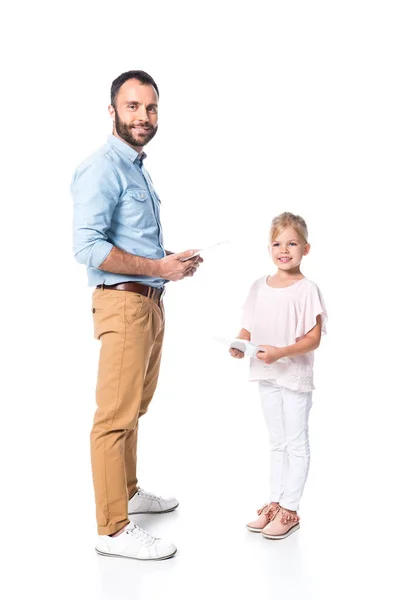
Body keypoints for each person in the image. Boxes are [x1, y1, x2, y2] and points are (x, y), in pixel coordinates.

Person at [71, 70, 202, 560]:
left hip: (148, 303)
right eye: (131, 107)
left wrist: (170, 264)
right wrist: (154, 267)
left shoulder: (137, 167)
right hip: (123, 304)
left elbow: (131, 243)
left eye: (150, 108)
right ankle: (113, 528)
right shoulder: (102, 167)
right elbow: (87, 248)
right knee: (113, 417)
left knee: (134, 409)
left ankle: (126, 491)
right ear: (112, 111)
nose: (142, 117)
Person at [230, 212, 327, 540]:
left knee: (296, 442)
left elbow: (313, 338)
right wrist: (240, 343)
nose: (283, 249)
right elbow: (248, 323)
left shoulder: (307, 289)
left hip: (294, 373)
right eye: (277, 243)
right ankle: (275, 501)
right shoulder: (259, 286)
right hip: (266, 373)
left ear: (306, 248)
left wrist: (280, 353)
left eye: (292, 243)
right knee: (277, 441)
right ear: (268, 248)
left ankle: (290, 509)